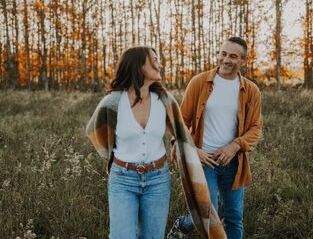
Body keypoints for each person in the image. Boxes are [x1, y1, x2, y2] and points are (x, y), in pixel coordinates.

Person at [85, 46, 226, 239]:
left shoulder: (165, 101)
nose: (160, 64)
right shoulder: (112, 102)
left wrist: (185, 148)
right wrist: (113, 157)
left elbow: (181, 134)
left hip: (157, 179)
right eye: (154, 60)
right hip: (123, 179)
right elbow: (95, 132)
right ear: (138, 66)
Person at [167, 37, 263, 239]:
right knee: (207, 214)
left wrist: (235, 146)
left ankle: (185, 224)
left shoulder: (251, 91)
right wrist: (193, 151)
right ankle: (183, 224)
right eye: (223, 54)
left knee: (234, 217)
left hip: (233, 163)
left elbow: (255, 128)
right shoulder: (199, 83)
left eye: (233, 56)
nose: (226, 60)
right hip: (204, 160)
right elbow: (181, 122)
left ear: (243, 61)